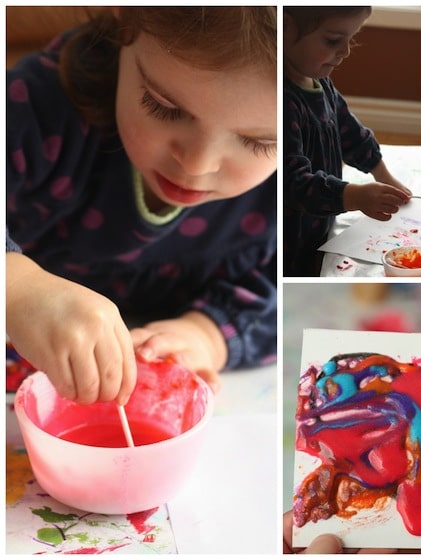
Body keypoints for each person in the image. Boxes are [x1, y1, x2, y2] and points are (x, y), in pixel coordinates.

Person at [6, 7, 277, 405]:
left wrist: (204, 334)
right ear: (122, 25)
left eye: (259, 142)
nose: (196, 164)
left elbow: (288, 292)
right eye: (164, 107)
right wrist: (16, 286)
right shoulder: (37, 106)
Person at [283, 6, 411, 276]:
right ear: (285, 27)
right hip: (288, 238)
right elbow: (292, 182)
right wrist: (353, 195)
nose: (346, 51)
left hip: (319, 221)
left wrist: (384, 176)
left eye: (351, 39)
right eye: (333, 40)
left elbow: (351, 133)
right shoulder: (280, 101)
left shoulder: (320, 81)